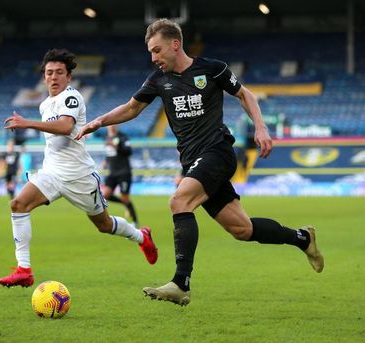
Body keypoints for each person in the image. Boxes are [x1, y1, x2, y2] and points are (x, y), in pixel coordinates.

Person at [75, 18, 324, 306]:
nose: (153, 58)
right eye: (150, 53)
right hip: (194, 161)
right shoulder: (158, 80)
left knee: (179, 201)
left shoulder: (211, 68)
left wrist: (261, 127)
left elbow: (245, 94)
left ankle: (181, 283)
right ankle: (303, 239)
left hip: (217, 151)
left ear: (175, 44)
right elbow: (132, 108)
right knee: (242, 230)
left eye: (157, 51)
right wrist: (98, 122)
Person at [0, 48, 158, 288]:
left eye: (59, 73)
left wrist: (26, 123)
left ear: (68, 77)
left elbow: (64, 127)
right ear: (44, 77)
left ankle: (140, 236)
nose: (53, 77)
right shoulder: (45, 105)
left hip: (79, 176)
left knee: (103, 225)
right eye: (49, 73)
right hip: (52, 173)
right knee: (18, 205)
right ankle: (24, 269)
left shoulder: (72, 97)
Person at [102, 125, 139, 227]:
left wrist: (115, 146)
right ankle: (124, 204)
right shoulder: (106, 137)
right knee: (105, 194)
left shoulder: (123, 137)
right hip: (112, 172)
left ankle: (135, 222)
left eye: (113, 124)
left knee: (125, 198)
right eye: (109, 124)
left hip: (124, 172)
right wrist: (105, 161)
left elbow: (128, 151)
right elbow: (110, 153)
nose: (111, 126)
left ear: (117, 125)